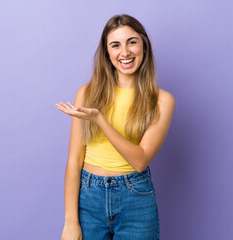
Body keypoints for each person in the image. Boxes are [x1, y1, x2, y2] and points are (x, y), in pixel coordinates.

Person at [55, 14, 175, 240]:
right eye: (116, 45)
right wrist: (70, 222)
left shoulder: (162, 101)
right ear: (107, 53)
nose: (125, 52)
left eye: (132, 42)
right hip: (89, 198)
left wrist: (101, 120)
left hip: (135, 200)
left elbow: (140, 161)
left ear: (144, 45)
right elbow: (74, 161)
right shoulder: (87, 93)